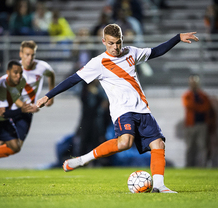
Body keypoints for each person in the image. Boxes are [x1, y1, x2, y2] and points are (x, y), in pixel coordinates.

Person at [37, 23, 199, 193]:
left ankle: (159, 186)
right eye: (111, 43)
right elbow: (73, 80)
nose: (115, 47)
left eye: (118, 42)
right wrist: (49, 95)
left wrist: (177, 38)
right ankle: (82, 160)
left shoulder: (132, 52)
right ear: (103, 41)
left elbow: (156, 51)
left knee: (158, 144)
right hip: (122, 111)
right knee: (125, 142)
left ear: (122, 40)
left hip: (143, 109)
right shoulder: (97, 63)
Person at [0, 40, 55, 179]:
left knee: (16, 146)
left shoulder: (42, 67)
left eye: (32, 55)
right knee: (1, 141)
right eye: (27, 54)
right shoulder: (16, 70)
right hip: (12, 108)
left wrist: (50, 95)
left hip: (27, 113)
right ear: (21, 54)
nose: (30, 58)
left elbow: (51, 74)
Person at [182, 75, 212, 167]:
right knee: (190, 147)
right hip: (191, 125)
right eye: (192, 83)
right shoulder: (187, 95)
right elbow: (189, 105)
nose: (193, 84)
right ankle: (189, 165)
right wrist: (199, 107)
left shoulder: (203, 95)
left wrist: (197, 107)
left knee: (202, 146)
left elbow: (206, 107)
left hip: (202, 124)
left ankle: (202, 166)